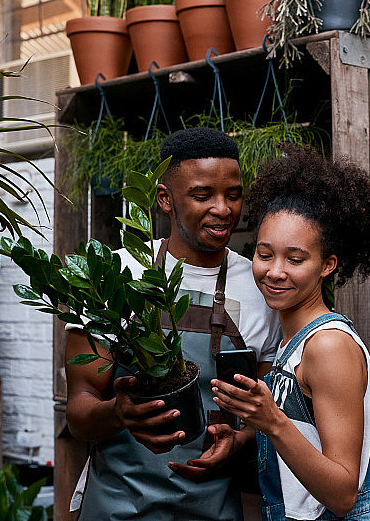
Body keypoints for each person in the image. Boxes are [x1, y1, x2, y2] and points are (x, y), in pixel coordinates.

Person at [65, 127, 281, 520]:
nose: (223, 209)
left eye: (233, 194)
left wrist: (240, 440)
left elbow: (264, 416)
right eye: (202, 195)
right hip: (117, 505)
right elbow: (79, 412)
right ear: (165, 199)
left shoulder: (260, 289)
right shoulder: (117, 274)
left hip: (212, 506)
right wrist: (117, 414)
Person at [211, 145, 370, 520]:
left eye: (295, 259)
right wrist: (244, 437)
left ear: (327, 265)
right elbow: (304, 437)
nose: (275, 271)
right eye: (264, 254)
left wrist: (271, 420)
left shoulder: (327, 346)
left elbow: (342, 494)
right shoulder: (293, 341)